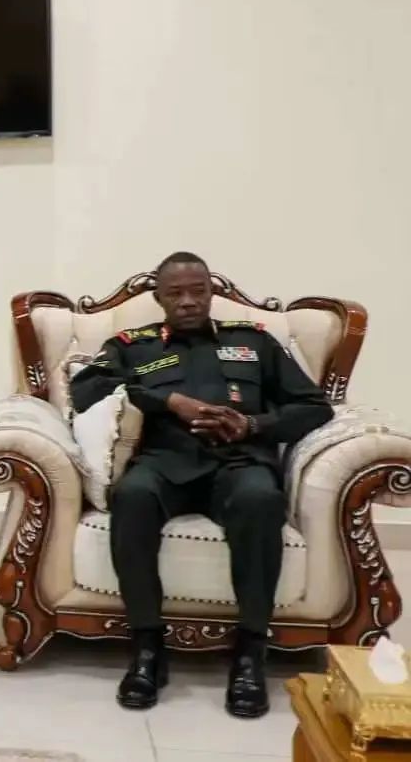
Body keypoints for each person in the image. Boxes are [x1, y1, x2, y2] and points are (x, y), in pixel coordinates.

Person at [70, 251, 333, 718]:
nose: (188, 301)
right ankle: (147, 648)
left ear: (212, 293)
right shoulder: (133, 345)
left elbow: (315, 407)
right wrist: (169, 401)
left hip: (239, 462)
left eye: (198, 291)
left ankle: (250, 653)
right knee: (132, 497)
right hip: (165, 462)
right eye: (176, 293)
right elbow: (85, 391)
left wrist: (253, 425)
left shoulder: (255, 343)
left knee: (260, 500)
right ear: (159, 298)